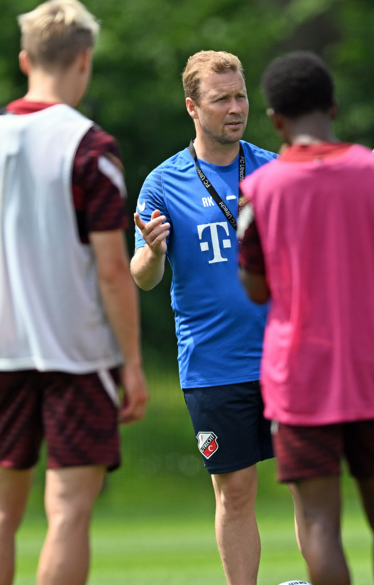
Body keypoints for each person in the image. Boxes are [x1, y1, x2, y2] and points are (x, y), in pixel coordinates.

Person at [0, 1, 148, 584]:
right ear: (84, 60)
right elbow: (113, 269)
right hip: (78, 355)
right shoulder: (90, 147)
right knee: (68, 513)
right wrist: (132, 364)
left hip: (3, 353)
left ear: (24, 60)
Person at [238, 51, 374, 585]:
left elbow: (255, 288)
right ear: (333, 107)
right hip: (371, 371)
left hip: (300, 377)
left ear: (275, 120)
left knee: (319, 523)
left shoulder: (261, 189)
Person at [130, 49, 276, 585]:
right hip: (214, 364)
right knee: (234, 492)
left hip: (285, 356)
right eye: (221, 100)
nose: (235, 108)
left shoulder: (275, 170)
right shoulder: (163, 183)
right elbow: (143, 276)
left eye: (241, 96)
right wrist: (153, 252)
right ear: (192, 106)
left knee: (311, 482)